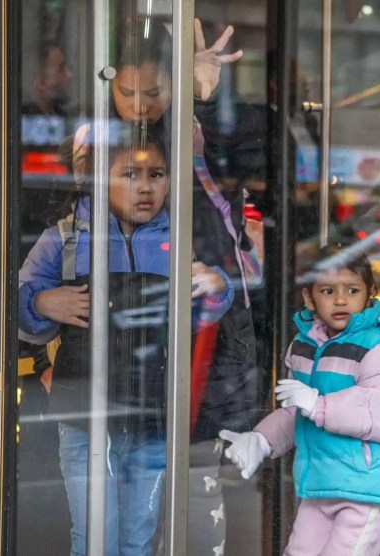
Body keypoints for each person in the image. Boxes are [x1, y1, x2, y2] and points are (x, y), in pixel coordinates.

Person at [18, 122, 234, 556]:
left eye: (156, 174)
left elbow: (200, 316)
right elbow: (20, 313)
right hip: (85, 416)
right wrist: (40, 304)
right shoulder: (66, 238)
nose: (145, 188)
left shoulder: (181, 238)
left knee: (139, 537)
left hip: (154, 413)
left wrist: (217, 285)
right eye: (129, 175)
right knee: (95, 538)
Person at [109, 15, 266, 554]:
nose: (140, 104)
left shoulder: (192, 134)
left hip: (217, 321)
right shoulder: (129, 151)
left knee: (196, 478)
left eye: (154, 92)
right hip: (165, 331)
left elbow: (252, 154)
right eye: (127, 92)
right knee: (155, 483)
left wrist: (200, 101)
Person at [220, 244, 380, 556]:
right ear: (308, 298)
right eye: (327, 290)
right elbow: (299, 411)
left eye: (352, 290)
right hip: (321, 481)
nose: (340, 299)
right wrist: (262, 440)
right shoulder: (306, 345)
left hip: (366, 486)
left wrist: (320, 405)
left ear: (370, 294)